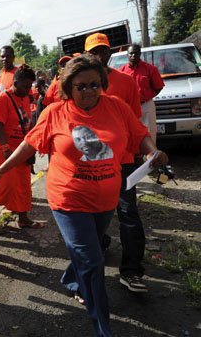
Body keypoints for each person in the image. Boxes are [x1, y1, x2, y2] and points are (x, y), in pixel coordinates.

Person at [0, 54, 168, 337]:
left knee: (91, 247)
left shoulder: (117, 108)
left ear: (102, 84)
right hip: (68, 199)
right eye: (81, 86)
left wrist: (151, 151)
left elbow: (139, 133)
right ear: (69, 88)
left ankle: (72, 279)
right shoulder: (55, 113)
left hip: (105, 199)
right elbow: (28, 145)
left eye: (94, 85)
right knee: (93, 261)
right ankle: (102, 327)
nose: (89, 91)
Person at [84, 33, 149, 293]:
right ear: (88, 54)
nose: (100, 55)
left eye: (104, 50)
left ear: (111, 52)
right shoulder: (80, 83)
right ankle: (87, 269)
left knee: (128, 214)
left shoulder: (125, 82)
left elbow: (135, 124)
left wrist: (140, 153)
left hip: (122, 162)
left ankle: (132, 272)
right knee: (88, 217)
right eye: (95, 51)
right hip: (88, 164)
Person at [0, 65, 41, 229]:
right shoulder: (3, 99)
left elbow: (27, 124)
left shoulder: (25, 97)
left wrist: (31, 148)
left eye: (29, 86)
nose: (27, 90)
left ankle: (23, 218)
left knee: (23, 182)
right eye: (25, 86)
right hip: (3, 146)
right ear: (15, 83)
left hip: (21, 146)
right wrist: (5, 149)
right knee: (1, 179)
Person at [119, 43, 165, 142]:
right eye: (131, 53)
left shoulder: (150, 69)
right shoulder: (122, 71)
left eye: (135, 53)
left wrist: (147, 96)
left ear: (140, 54)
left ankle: (150, 157)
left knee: (150, 134)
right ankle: (135, 157)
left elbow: (158, 87)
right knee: (130, 135)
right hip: (129, 108)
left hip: (146, 106)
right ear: (127, 55)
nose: (133, 55)